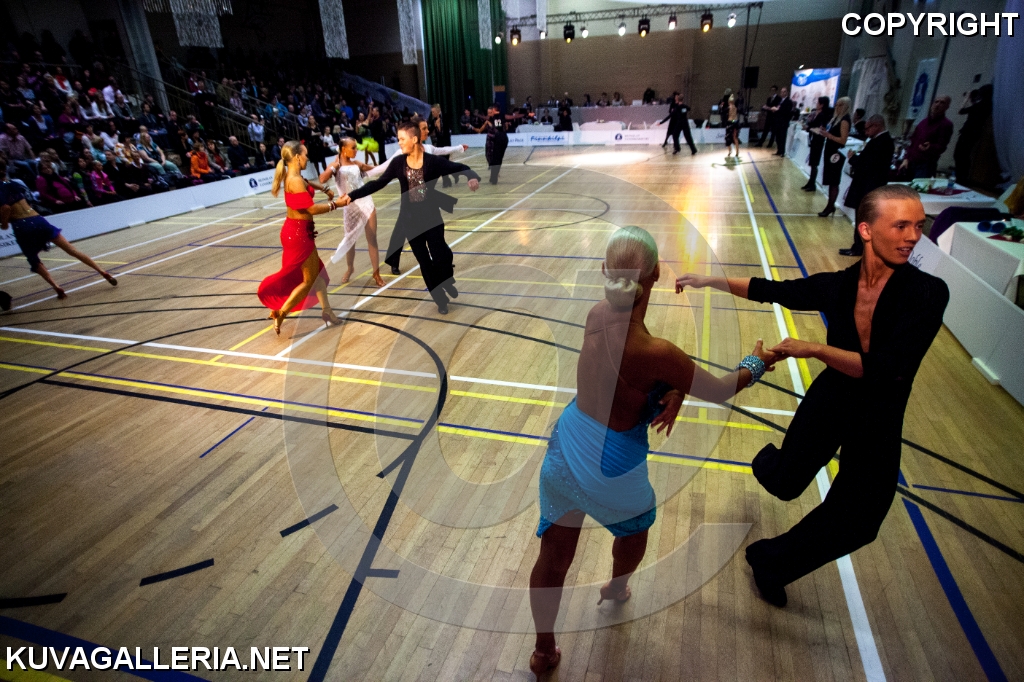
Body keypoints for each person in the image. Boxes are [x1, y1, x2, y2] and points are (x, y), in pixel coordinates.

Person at [675, 185, 948, 608]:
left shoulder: (928, 292)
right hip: (832, 398)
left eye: (919, 225)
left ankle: (770, 562)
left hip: (879, 414)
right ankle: (773, 463)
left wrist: (815, 349)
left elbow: (887, 368)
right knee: (784, 483)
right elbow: (774, 289)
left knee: (860, 520)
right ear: (867, 230)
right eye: (901, 225)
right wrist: (710, 280)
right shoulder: (839, 285)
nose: (914, 236)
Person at [528, 225, 780, 676]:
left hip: (565, 449)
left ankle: (543, 650)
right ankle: (617, 587)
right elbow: (719, 390)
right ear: (658, 273)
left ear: (604, 270)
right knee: (635, 530)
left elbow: (622, 377)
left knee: (552, 559)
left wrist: (670, 389)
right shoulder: (657, 351)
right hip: (612, 469)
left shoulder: (595, 315)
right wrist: (756, 363)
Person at [337, 121, 481, 314]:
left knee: (442, 256)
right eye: (398, 139)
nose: (399, 143)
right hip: (410, 221)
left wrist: (472, 176)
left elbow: (460, 167)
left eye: (402, 139)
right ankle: (440, 300)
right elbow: (378, 183)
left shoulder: (432, 161)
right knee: (424, 262)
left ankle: (446, 280)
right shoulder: (398, 163)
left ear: (414, 139)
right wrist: (352, 195)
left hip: (431, 218)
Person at [0, 159, 118, 299]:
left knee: (34, 259)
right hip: (37, 219)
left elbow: (6, 207)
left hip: (21, 225)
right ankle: (102, 271)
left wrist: (4, 224)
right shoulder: (14, 183)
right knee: (71, 249)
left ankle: (56, 286)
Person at [258, 140, 342, 335]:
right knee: (308, 281)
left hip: (300, 232)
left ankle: (327, 311)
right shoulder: (294, 180)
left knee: (317, 275)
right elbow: (311, 208)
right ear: (297, 157)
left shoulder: (295, 176)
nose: (307, 158)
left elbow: (306, 183)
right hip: (298, 235)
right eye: (305, 155)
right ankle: (282, 313)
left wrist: (323, 189)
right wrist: (336, 204)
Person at [372, 119, 468, 274]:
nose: (427, 131)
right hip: (409, 201)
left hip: (426, 199)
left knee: (435, 233)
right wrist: (366, 172)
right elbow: (384, 167)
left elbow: (442, 150)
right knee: (400, 232)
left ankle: (443, 259)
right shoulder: (403, 152)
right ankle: (394, 262)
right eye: (424, 128)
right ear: (415, 133)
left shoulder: (428, 149)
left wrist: (459, 148)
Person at [319, 138, 386, 288]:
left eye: (356, 147)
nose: (356, 150)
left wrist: (395, 161)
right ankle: (350, 268)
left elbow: (377, 169)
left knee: (372, 239)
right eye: (353, 148)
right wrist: (333, 168)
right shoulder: (336, 165)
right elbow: (322, 179)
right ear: (343, 149)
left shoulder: (357, 164)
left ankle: (376, 273)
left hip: (366, 203)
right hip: (349, 207)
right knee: (350, 240)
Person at [840, 115, 895, 256]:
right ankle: (859, 246)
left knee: (864, 219)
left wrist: (853, 159)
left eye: (867, 128)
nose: (866, 132)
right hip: (868, 186)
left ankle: (859, 248)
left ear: (876, 126)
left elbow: (868, 166)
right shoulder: (880, 141)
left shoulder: (883, 142)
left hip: (869, 187)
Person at [813, 96, 851, 217]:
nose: (836, 107)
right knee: (830, 180)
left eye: (840, 105)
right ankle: (830, 205)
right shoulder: (836, 119)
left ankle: (830, 206)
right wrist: (825, 131)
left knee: (834, 181)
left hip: (836, 153)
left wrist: (828, 135)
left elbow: (843, 140)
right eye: (836, 104)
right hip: (830, 151)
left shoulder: (844, 120)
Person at [900, 96, 953, 179]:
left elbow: (942, 146)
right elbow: (912, 142)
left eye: (942, 102)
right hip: (911, 162)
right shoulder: (923, 122)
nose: (937, 104)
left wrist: (930, 147)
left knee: (920, 186)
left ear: (947, 107)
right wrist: (906, 158)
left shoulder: (946, 125)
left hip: (926, 165)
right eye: (936, 102)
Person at [801, 96, 833, 192]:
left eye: (818, 102)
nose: (816, 104)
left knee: (814, 163)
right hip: (814, 139)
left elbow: (819, 129)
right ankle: (810, 182)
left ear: (822, 104)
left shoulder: (823, 115)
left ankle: (812, 184)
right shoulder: (816, 113)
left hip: (818, 141)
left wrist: (808, 128)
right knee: (812, 163)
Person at [474, 103, 509, 185]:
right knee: (490, 157)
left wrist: (504, 125)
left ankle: (494, 175)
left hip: (497, 141)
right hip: (490, 143)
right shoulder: (488, 121)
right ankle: (494, 174)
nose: (489, 114)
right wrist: (472, 127)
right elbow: (480, 130)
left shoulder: (497, 120)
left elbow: (503, 129)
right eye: (488, 113)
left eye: (490, 112)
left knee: (497, 159)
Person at [770, 87, 794, 157]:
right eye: (782, 92)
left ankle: (782, 152)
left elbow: (786, 111)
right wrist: (774, 110)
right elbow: (778, 108)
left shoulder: (789, 101)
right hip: (778, 121)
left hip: (783, 122)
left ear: (787, 93)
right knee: (777, 137)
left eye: (784, 92)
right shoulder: (780, 101)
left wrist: (777, 110)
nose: (782, 93)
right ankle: (778, 150)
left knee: (782, 137)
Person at [724, 95, 740, 161]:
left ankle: (730, 151)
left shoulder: (728, 108)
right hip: (735, 122)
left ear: (729, 102)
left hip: (730, 122)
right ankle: (737, 152)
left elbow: (722, 112)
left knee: (727, 137)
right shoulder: (736, 108)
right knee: (735, 137)